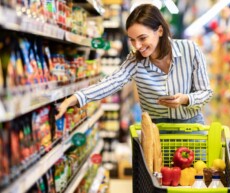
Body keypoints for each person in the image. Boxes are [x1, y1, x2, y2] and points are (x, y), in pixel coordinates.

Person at [55, 4, 213, 124]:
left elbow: (206, 92)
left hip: (190, 128)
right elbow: (112, 82)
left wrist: (185, 99)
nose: (137, 46)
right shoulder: (135, 59)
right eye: (132, 40)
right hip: (154, 131)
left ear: (159, 31)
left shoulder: (190, 50)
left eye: (142, 38)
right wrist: (74, 99)